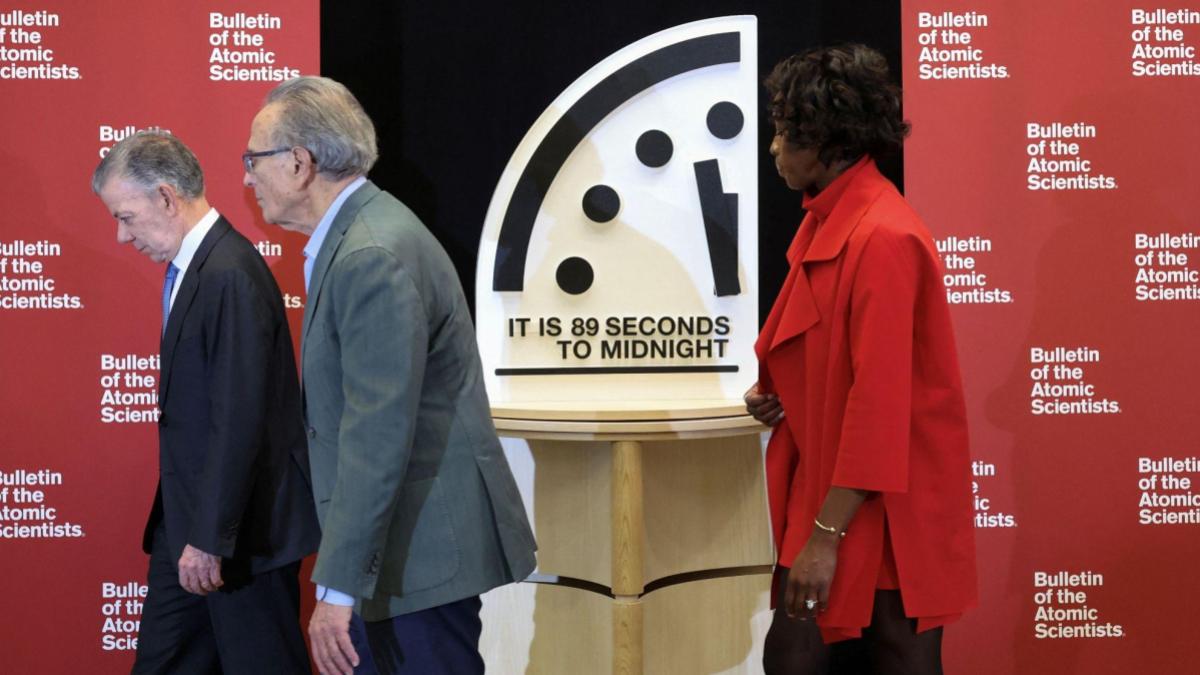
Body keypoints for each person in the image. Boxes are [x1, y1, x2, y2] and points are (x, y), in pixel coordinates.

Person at [242, 76, 538, 675]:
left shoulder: (370, 253)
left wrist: (338, 589)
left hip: (418, 560)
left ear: (299, 163)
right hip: (401, 555)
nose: (247, 178)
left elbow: (375, 437)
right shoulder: (358, 237)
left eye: (254, 159)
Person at [745, 45, 977, 674]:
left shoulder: (882, 236)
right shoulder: (833, 220)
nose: (774, 147)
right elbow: (832, 365)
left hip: (882, 510)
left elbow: (879, 405)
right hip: (840, 493)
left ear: (830, 140)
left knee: (882, 658)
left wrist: (825, 538)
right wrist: (786, 394)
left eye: (786, 131)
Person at [92, 130, 320, 674]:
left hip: (237, 539)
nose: (122, 236)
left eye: (126, 217)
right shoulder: (199, 268)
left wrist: (211, 539)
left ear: (166, 197)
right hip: (191, 527)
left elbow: (239, 417)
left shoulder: (228, 274)